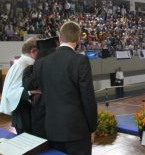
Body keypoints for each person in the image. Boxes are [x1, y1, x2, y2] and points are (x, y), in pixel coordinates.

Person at [33, 21, 97, 155]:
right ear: (78, 39)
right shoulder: (80, 60)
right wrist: (92, 128)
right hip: (76, 132)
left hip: (51, 129)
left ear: (60, 38)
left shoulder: (40, 64)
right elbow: (88, 97)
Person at [0, 37, 41, 134]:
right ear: (33, 51)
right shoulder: (24, 65)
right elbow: (11, 93)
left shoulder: (21, 63)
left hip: (24, 117)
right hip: (23, 118)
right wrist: (30, 92)